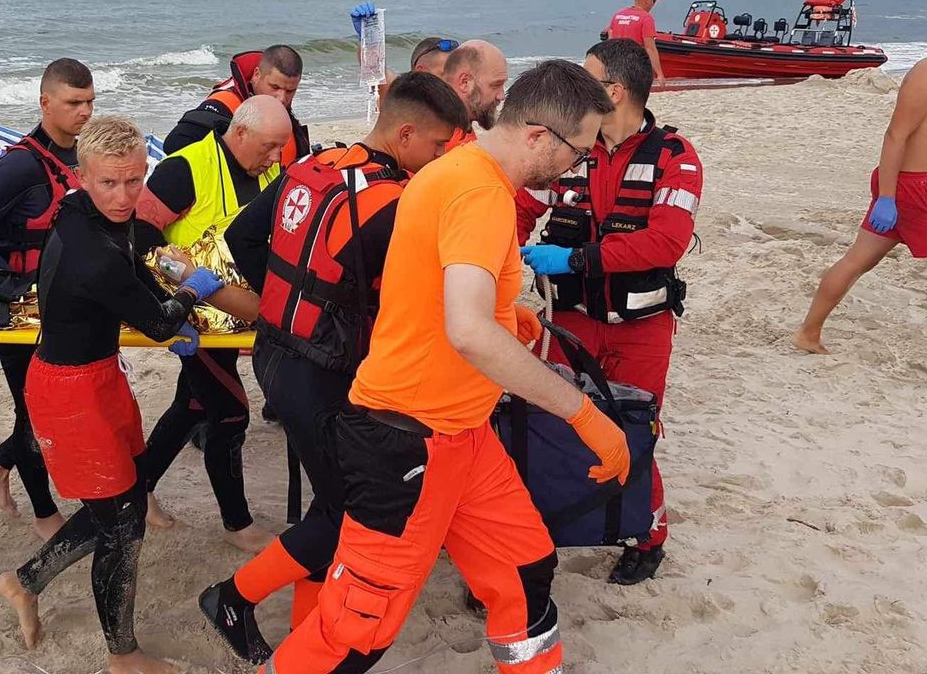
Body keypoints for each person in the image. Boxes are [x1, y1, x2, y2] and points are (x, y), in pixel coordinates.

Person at [261, 60, 629, 674]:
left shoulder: (457, 169)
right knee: (356, 626)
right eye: (581, 151)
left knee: (523, 567)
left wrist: (510, 313)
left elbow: (447, 286)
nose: (579, 167)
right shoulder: (479, 191)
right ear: (539, 135)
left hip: (464, 434)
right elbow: (469, 331)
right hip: (406, 440)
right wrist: (583, 414)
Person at [202, 73, 470, 663]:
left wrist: (286, 298)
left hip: (275, 354)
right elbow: (424, 303)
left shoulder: (313, 165)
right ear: (406, 134)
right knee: (346, 512)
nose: (437, 162)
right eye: (435, 149)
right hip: (325, 374)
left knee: (331, 503)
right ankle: (232, 597)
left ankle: (303, 633)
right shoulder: (393, 206)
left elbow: (244, 234)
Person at [0, 116, 225, 674]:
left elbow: (131, 268)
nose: (124, 198)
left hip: (100, 374)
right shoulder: (87, 250)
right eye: (109, 184)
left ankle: (22, 583)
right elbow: (160, 324)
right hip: (68, 392)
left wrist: (159, 292)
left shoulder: (81, 211)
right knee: (122, 525)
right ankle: (122, 656)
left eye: (135, 181)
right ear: (80, 177)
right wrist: (192, 290)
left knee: (124, 505)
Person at [516, 38, 702, 584]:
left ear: (613, 91)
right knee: (555, 425)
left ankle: (647, 536)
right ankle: (548, 529)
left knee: (634, 429)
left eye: (586, 77)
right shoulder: (571, 150)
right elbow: (520, 205)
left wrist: (572, 256)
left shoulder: (676, 157)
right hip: (570, 323)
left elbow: (664, 243)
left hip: (642, 328)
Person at [794, 9, 927, 391]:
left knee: (859, 259)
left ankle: (808, 334)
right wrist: (888, 197)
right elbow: (896, 135)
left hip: (908, 187)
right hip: (918, 190)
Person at [134, 95, 291, 552]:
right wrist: (173, 296)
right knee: (229, 411)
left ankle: (139, 491)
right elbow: (139, 235)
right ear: (239, 133)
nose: (276, 157)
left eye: (281, 148)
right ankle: (237, 524)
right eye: (269, 146)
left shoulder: (267, 170)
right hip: (195, 315)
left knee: (192, 406)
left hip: (238, 314)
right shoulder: (184, 169)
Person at [0, 58, 95, 540]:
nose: (85, 113)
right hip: (21, 317)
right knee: (33, 415)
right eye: (74, 103)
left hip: (68, 309)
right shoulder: (20, 165)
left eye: (90, 102)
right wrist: (5, 283)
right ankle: (43, 513)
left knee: (63, 409)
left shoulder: (84, 156)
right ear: (46, 102)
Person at [162, 45, 311, 167]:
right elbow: (174, 144)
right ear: (257, 75)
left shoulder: (279, 104)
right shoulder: (222, 105)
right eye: (274, 87)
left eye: (290, 90)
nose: (281, 98)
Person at [440, 40, 510, 146]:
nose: (502, 96)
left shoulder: (461, 127)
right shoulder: (443, 139)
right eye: (495, 85)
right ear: (465, 82)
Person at [606, 0, 666, 86]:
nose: (653, 4)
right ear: (647, 0)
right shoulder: (646, 18)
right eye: (654, 1)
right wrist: (660, 74)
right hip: (635, 66)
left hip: (616, 66)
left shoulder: (618, 15)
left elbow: (609, 41)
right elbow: (650, 48)